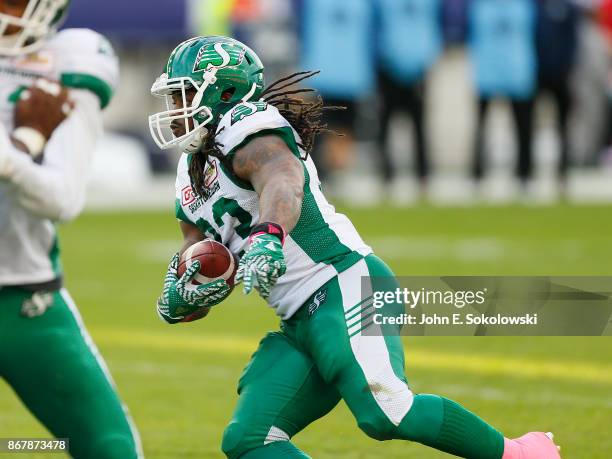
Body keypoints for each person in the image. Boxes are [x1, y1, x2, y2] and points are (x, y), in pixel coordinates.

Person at [149, 35, 561, 459]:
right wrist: (183, 293)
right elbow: (198, 252)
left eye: (183, 95)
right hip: (299, 319)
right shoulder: (189, 170)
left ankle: (523, 454)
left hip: (343, 283)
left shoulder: (248, 126)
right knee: (249, 440)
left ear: (226, 92)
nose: (174, 111)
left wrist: (268, 234)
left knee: (388, 414)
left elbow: (282, 178)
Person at [0, 1, 142, 458]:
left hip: (24, 297)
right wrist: (24, 144)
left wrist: (11, 161)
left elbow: (62, 199)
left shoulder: (68, 59)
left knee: (107, 445)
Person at [298, 0, 375, 180]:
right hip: (341, 75)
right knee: (328, 130)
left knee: (333, 129)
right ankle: (326, 173)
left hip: (338, 74)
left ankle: (332, 173)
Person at [375, 0, 443, 196]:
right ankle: (387, 175)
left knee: (419, 125)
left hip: (418, 69)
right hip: (388, 67)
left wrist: (426, 58)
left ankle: (423, 176)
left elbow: (433, 27)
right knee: (386, 124)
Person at [468, 0, 537, 187]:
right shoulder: (481, 6)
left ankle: (525, 174)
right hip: (488, 72)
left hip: (517, 72)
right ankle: (477, 174)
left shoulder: (524, 6)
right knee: (481, 127)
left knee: (523, 128)